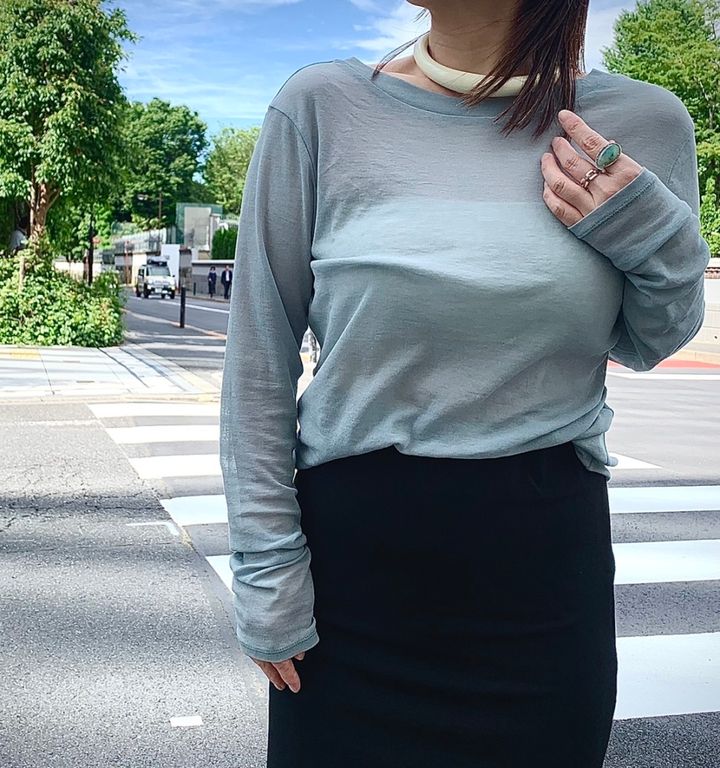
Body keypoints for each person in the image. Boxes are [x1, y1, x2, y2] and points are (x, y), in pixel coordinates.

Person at [219, 2, 710, 766]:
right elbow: (258, 362)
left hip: (543, 583)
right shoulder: (319, 107)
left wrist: (655, 234)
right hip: (351, 582)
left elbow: (654, 337)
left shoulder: (639, 122)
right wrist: (264, 570)